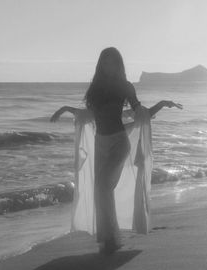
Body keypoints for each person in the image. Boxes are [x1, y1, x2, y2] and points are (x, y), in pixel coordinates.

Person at [50, 47, 182, 255]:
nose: (108, 66)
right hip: (100, 144)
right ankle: (108, 239)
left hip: (119, 144)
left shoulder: (125, 87)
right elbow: (89, 115)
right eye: (105, 62)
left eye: (112, 62)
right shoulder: (96, 88)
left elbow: (140, 113)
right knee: (101, 191)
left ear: (118, 64)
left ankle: (111, 238)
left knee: (103, 187)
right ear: (100, 64)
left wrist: (162, 104)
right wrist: (65, 109)